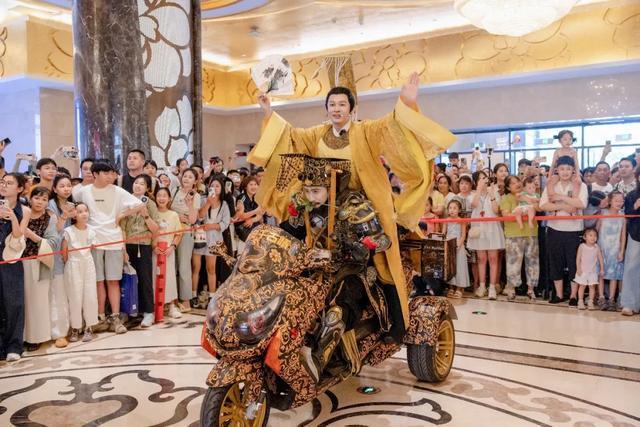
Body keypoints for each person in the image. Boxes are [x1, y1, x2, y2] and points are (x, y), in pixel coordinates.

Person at [251, 72, 456, 340]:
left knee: (382, 261)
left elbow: (391, 126)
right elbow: (288, 136)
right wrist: (268, 112)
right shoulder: (316, 134)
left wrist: (406, 102)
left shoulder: (366, 131)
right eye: (332, 104)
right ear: (326, 109)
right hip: (322, 204)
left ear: (352, 109)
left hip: (362, 205)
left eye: (342, 104)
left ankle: (396, 324)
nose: (336, 109)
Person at [73, 161, 144, 334]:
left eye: (112, 173)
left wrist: (121, 215)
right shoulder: (83, 192)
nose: (110, 176)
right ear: (95, 174)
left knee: (113, 281)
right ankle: (99, 317)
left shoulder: (117, 191)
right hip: (93, 241)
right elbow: (74, 206)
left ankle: (115, 317)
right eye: (106, 173)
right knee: (97, 281)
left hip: (114, 240)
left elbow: (140, 204)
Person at [539, 155, 588, 305]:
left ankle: (573, 295)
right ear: (557, 170)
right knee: (555, 262)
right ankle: (559, 294)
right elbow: (543, 205)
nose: (565, 172)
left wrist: (560, 197)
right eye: (562, 169)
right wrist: (564, 206)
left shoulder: (580, 185)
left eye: (568, 169)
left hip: (574, 230)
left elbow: (581, 204)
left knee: (574, 263)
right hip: (554, 229)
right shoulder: (551, 185)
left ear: (573, 170)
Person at [120, 174, 159, 327]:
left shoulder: (150, 204)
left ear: (147, 188)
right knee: (126, 279)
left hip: (143, 245)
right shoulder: (125, 202)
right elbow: (122, 227)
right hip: (127, 244)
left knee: (145, 279)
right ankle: (127, 311)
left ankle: (148, 312)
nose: (138, 186)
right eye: (136, 182)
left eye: (142, 184)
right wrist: (123, 248)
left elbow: (155, 229)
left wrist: (146, 215)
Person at [22, 186, 58, 351]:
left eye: (44, 199)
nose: (40, 202)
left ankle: (36, 338)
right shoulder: (22, 213)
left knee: (38, 302)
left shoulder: (49, 218)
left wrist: (31, 235)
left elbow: (53, 242)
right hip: (18, 263)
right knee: (22, 302)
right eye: (37, 198)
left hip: (39, 263)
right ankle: (21, 337)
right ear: (30, 199)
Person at [0, 173, 31, 361]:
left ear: (19, 188)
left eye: (9, 183)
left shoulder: (24, 210)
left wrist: (12, 217)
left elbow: (19, 235)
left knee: (14, 302)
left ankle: (14, 346)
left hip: (12, 258)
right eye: (3, 182)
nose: (4, 185)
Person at [192, 176, 231, 307]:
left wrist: (212, 226)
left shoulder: (224, 204)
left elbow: (225, 223)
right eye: (212, 186)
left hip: (214, 239)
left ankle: (211, 296)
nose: (214, 188)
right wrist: (208, 203)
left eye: (217, 186)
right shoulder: (203, 200)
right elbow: (199, 216)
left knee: (211, 268)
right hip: (200, 237)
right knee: (195, 267)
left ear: (221, 189)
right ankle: (193, 295)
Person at [62, 203, 98, 342]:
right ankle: (75, 327)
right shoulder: (68, 231)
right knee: (75, 297)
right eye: (80, 211)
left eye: (86, 211)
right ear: (74, 215)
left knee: (90, 295)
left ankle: (89, 327)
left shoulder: (92, 231)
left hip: (88, 264)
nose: (84, 214)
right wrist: (70, 264)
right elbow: (64, 252)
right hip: (73, 264)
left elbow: (93, 247)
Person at [500, 176, 539, 301]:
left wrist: (527, 200)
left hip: (531, 232)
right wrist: (519, 213)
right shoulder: (506, 198)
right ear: (508, 187)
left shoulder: (530, 193)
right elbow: (506, 214)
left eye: (518, 181)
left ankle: (531, 289)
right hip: (513, 234)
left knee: (533, 261)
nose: (517, 184)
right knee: (513, 262)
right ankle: (511, 289)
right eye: (512, 183)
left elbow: (538, 207)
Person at [467, 171, 504, 300]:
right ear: (476, 181)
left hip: (492, 228)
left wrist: (492, 193)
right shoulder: (472, 194)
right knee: (481, 259)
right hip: (478, 229)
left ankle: (492, 287)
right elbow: (474, 204)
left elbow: (496, 210)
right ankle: (482, 286)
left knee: (493, 258)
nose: (484, 180)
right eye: (481, 178)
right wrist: (478, 189)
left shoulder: (494, 192)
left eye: (485, 178)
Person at [48, 174, 75, 346]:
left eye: (69, 185)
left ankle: (72, 327)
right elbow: (54, 230)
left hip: (70, 252)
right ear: (55, 189)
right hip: (55, 252)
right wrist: (65, 215)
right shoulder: (51, 205)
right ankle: (58, 332)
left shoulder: (72, 203)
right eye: (62, 186)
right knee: (57, 293)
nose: (66, 189)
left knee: (68, 291)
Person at [170, 168, 200, 311]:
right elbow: (166, 208)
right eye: (185, 176)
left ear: (195, 181)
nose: (186, 179)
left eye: (190, 177)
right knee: (172, 266)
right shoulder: (174, 190)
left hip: (186, 232)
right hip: (171, 231)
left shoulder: (196, 196)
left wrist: (190, 205)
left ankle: (186, 300)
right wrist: (177, 215)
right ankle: (173, 299)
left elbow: (193, 220)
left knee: (184, 266)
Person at [153, 187, 183, 318]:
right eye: (159, 195)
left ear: (169, 198)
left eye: (164, 195)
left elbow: (179, 234)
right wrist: (153, 246)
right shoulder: (152, 213)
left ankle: (171, 306)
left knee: (170, 278)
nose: (161, 198)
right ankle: (153, 307)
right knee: (154, 277)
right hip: (155, 251)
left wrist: (172, 247)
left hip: (168, 251)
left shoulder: (173, 215)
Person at [596, 191, 626, 311]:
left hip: (615, 250)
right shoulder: (603, 214)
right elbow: (597, 231)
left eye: (621, 201)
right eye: (616, 200)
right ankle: (601, 297)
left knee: (614, 275)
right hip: (602, 250)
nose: (619, 203)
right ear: (610, 201)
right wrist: (596, 249)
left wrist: (621, 251)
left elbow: (623, 236)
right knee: (601, 273)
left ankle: (612, 299)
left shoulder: (622, 216)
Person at [620, 167, 640, 316]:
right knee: (631, 268)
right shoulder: (632, 195)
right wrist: (635, 207)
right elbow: (627, 215)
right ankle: (629, 303)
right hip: (636, 234)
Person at [573, 228, 604, 310]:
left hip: (592, 272)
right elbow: (578, 258)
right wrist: (578, 268)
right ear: (585, 237)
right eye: (590, 235)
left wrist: (602, 269)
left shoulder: (597, 247)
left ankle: (590, 302)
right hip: (583, 271)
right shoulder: (582, 246)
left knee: (592, 287)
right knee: (582, 286)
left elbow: (600, 258)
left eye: (595, 236)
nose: (593, 237)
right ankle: (580, 301)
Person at [444, 199, 469, 298]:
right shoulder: (446, 220)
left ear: (459, 210)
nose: (452, 210)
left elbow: (463, 235)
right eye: (450, 208)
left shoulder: (461, 221)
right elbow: (444, 233)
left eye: (454, 208)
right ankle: (451, 287)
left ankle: (459, 288)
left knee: (459, 266)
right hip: (449, 245)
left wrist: (458, 245)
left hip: (459, 246)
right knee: (449, 267)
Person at [547, 130, 581, 200]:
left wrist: (578, 176)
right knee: (551, 181)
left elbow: (576, 165)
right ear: (560, 141)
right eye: (565, 139)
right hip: (559, 173)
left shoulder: (573, 151)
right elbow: (553, 165)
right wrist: (549, 176)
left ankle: (574, 197)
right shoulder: (557, 151)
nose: (568, 141)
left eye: (570, 139)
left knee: (577, 181)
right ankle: (552, 196)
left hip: (571, 173)